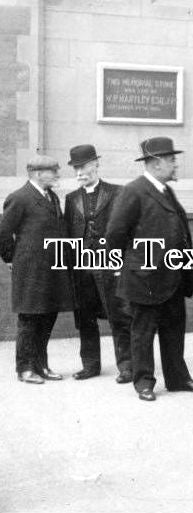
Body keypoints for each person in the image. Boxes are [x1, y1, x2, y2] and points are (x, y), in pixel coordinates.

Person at [106, 137, 193, 401]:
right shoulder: (133, 191)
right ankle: (143, 382)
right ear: (156, 163)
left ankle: (178, 379)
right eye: (172, 160)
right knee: (143, 333)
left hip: (173, 277)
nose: (176, 165)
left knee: (174, 331)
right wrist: (126, 268)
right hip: (145, 279)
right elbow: (115, 234)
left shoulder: (165, 190)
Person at [0, 155, 74, 384]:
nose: (57, 174)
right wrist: (11, 258)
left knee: (47, 317)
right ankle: (25, 369)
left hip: (51, 270)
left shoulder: (51, 197)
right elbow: (3, 233)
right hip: (31, 271)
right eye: (53, 171)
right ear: (37, 173)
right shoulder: (19, 198)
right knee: (30, 319)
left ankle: (41, 366)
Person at [63, 144, 133, 382]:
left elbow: (127, 230)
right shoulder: (71, 199)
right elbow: (68, 234)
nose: (79, 173)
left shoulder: (117, 192)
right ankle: (90, 364)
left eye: (83, 167)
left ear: (95, 165)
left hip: (111, 265)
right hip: (82, 267)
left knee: (119, 316)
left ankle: (127, 366)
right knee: (85, 317)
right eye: (76, 168)